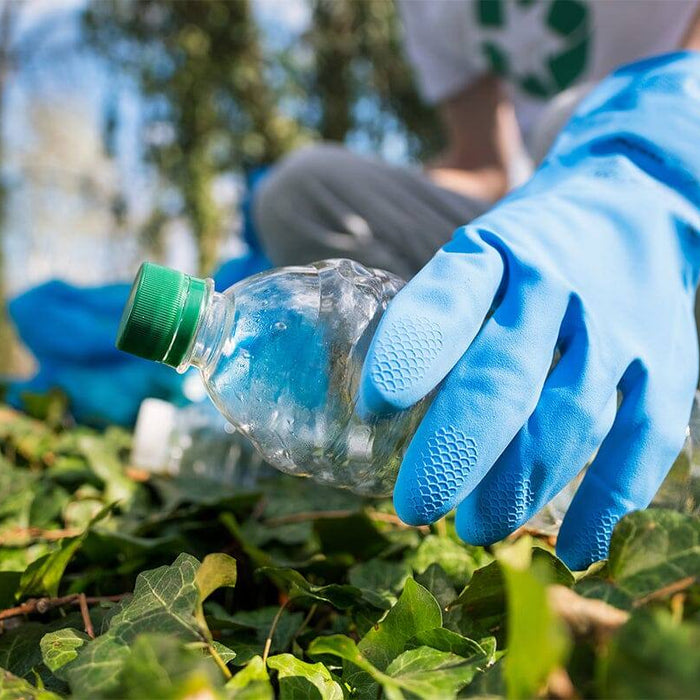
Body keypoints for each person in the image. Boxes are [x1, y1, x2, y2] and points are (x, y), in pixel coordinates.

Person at [252, 0, 700, 569]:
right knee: (306, 194)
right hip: (548, 213)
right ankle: (508, 393)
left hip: (680, 191)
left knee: (573, 118)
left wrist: (648, 180)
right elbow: (482, 165)